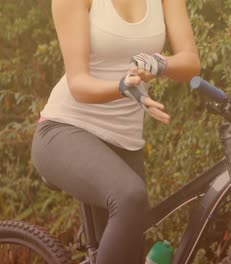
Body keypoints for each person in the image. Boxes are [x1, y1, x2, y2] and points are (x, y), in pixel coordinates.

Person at [31, 0, 200, 263]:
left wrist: (159, 62)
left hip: (125, 144)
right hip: (64, 130)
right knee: (130, 196)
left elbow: (190, 62)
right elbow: (78, 84)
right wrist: (121, 86)